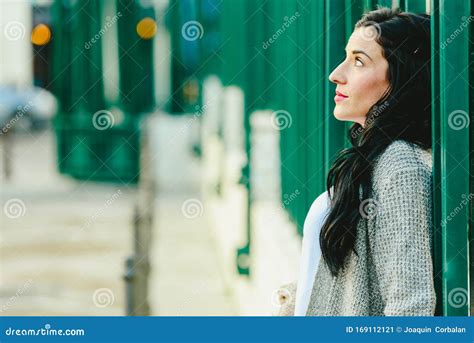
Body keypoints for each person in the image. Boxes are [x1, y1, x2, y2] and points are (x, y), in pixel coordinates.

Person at [278, 7, 435, 316]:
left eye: (359, 62)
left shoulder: (400, 166)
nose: (336, 74)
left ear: (399, 79)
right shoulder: (374, 158)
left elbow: (411, 305)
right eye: (346, 57)